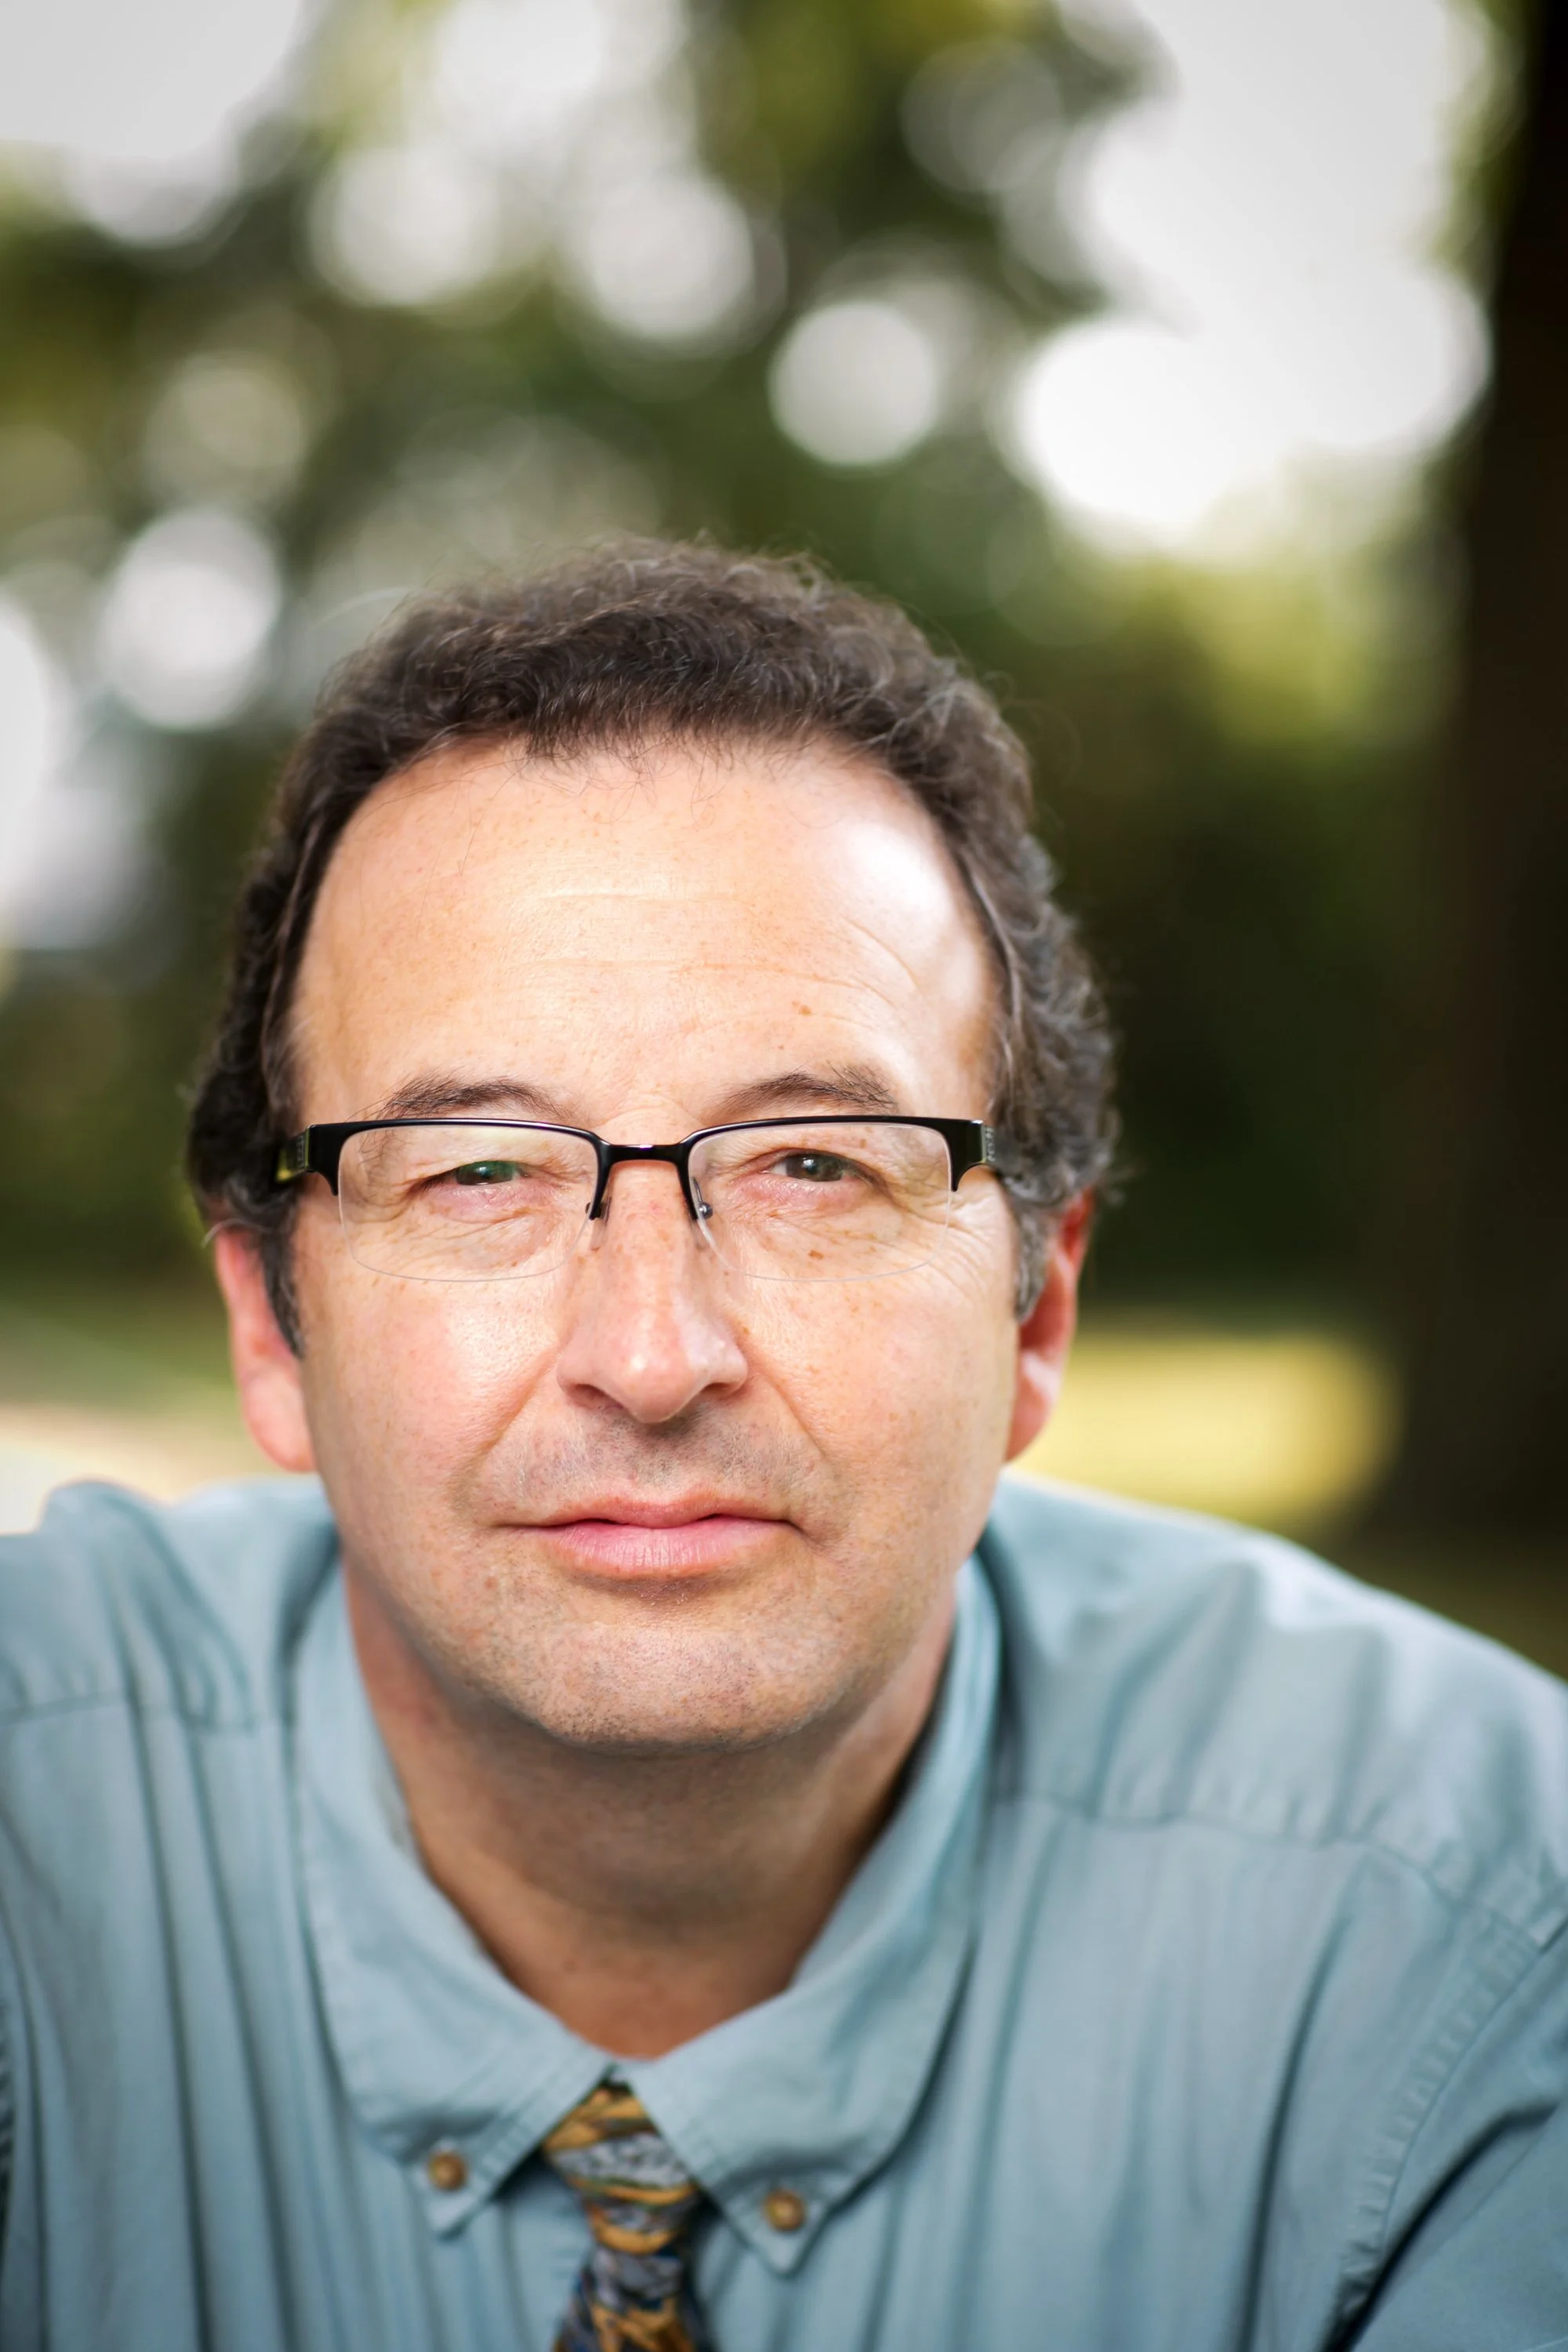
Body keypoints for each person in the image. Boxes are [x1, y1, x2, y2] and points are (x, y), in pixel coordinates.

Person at [2, 543, 1565, 2352]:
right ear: (274, 1328)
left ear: (1033, 1317)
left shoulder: (1479, 1930)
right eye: (481, 1171)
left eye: (814, 1165)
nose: (652, 1359)